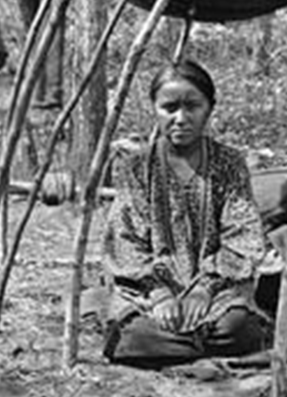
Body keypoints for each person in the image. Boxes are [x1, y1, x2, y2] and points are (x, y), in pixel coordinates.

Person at [102, 59, 273, 368]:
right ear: (155, 109)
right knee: (130, 335)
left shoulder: (229, 163)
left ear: (209, 108)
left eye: (192, 106)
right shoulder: (136, 167)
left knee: (238, 329)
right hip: (150, 293)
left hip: (217, 292)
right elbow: (124, 239)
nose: (181, 118)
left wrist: (205, 290)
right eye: (170, 108)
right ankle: (198, 346)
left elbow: (244, 236)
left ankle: (178, 347)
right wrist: (159, 294)